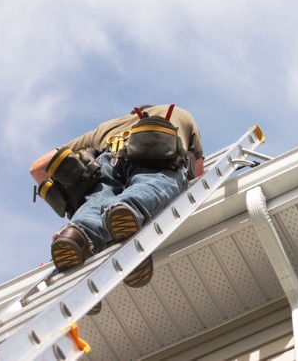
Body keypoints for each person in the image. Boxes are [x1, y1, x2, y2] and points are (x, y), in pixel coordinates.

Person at [30, 104, 204, 292]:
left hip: (108, 159)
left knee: (96, 201)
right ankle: (128, 210)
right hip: (157, 148)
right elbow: (198, 176)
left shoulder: (105, 128)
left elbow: (37, 168)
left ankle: (76, 236)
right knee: (153, 184)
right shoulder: (180, 114)